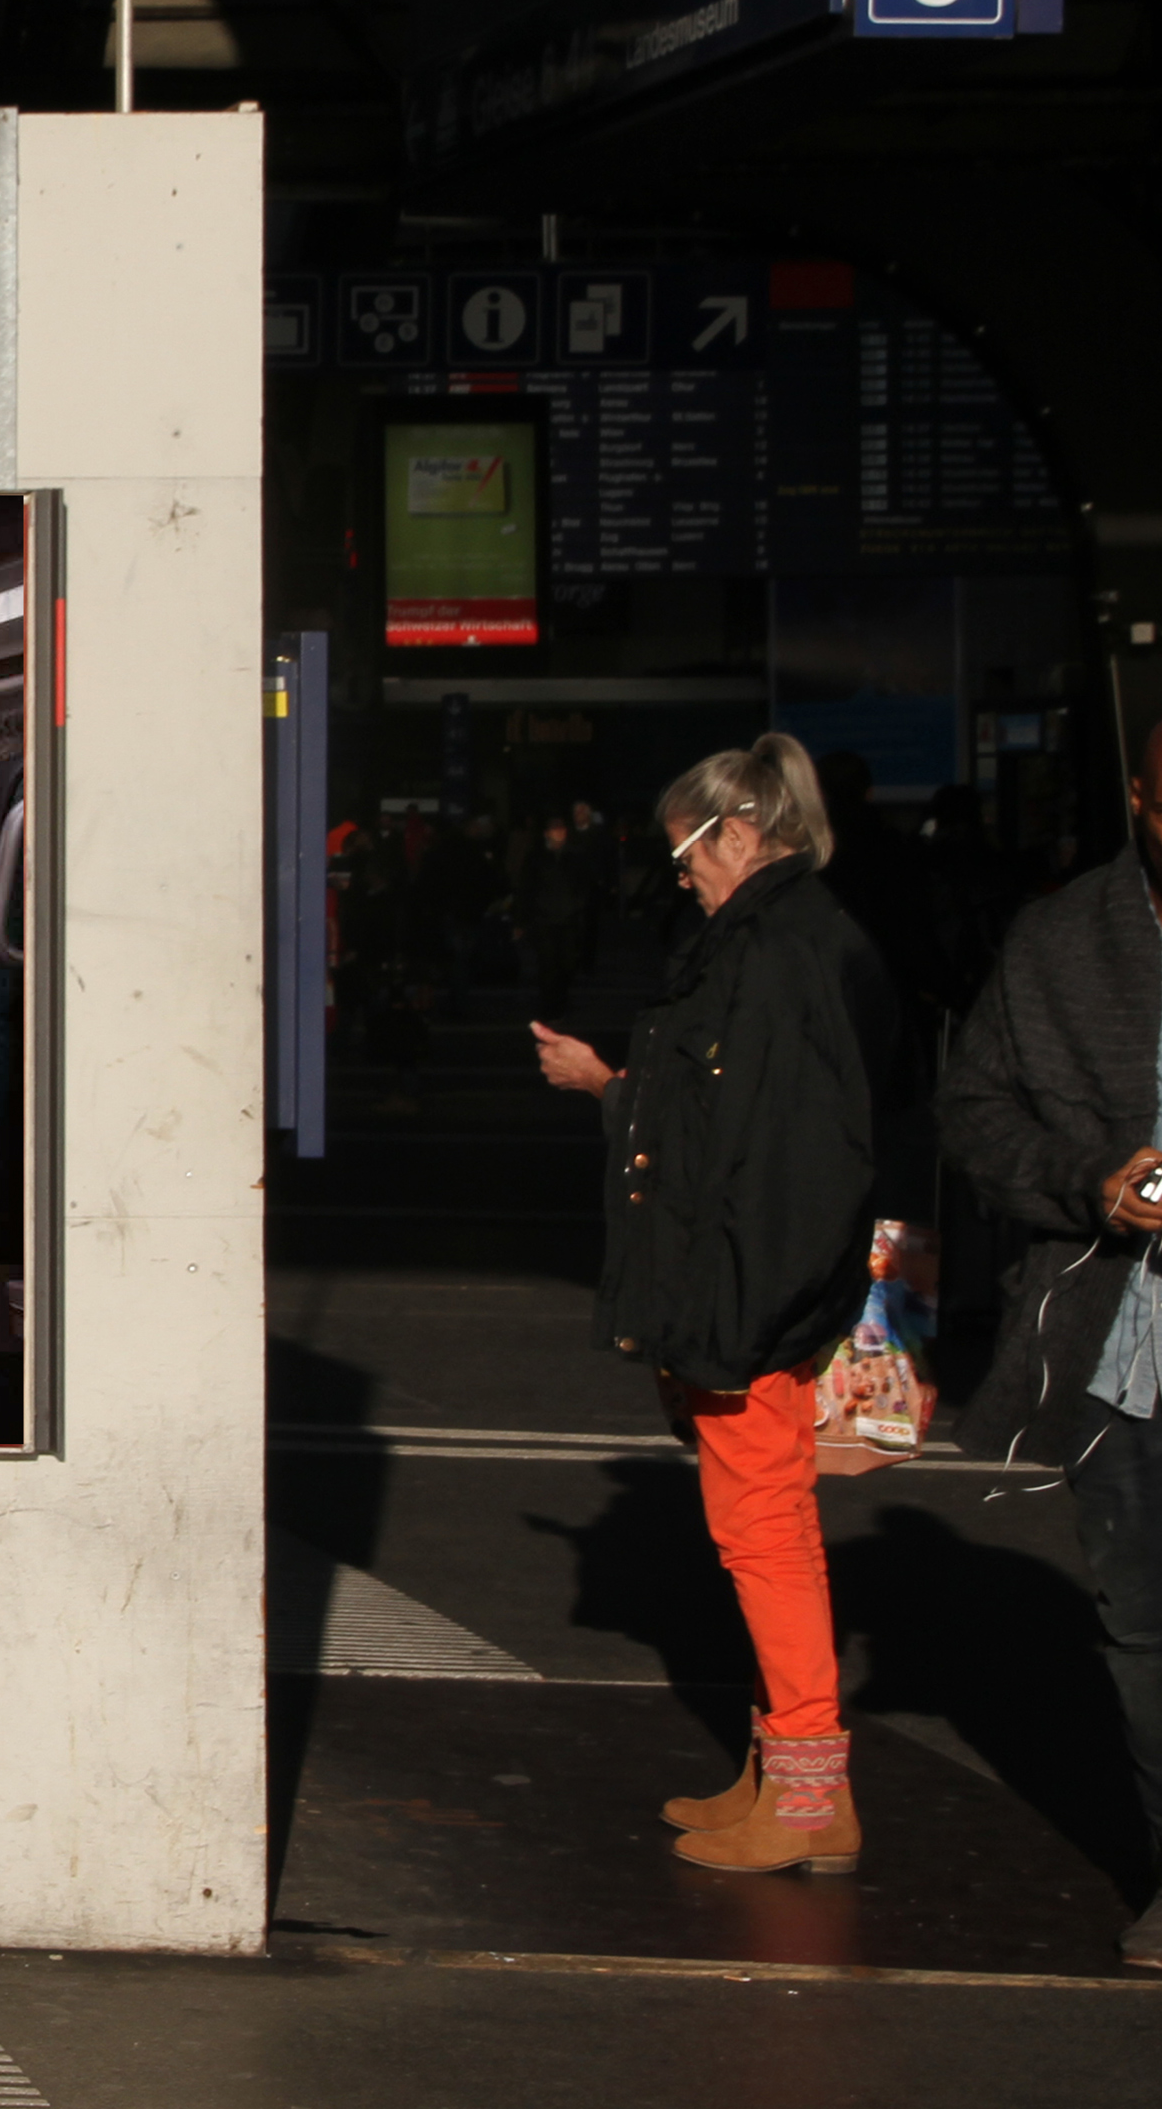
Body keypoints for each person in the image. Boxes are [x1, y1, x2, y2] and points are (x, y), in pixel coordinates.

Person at [529, 733, 900, 1876]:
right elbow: (734, 1127)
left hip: (750, 1300)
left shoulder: (774, 952)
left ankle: (803, 1792)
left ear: (734, 833)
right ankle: (781, 1772)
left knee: (764, 1536)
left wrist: (733, 1325)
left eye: (682, 851)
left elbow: (778, 1157)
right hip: (756, 1290)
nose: (675, 872)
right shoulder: (792, 938)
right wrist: (615, 1087)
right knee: (763, 1532)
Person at [934, 713, 1162, 1972]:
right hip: (1125, 1342)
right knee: (1144, 1629)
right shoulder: (1062, 940)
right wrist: (1089, 1180)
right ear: (1136, 799)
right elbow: (972, 1113)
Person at [515, 811, 593, 1021]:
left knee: (566, 963)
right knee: (548, 964)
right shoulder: (537, 857)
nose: (559, 833)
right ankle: (551, 1004)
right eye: (555, 829)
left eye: (562, 829)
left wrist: (577, 906)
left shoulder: (574, 856)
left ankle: (561, 1000)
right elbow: (526, 888)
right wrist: (522, 918)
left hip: (567, 918)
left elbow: (584, 885)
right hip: (545, 919)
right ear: (547, 833)